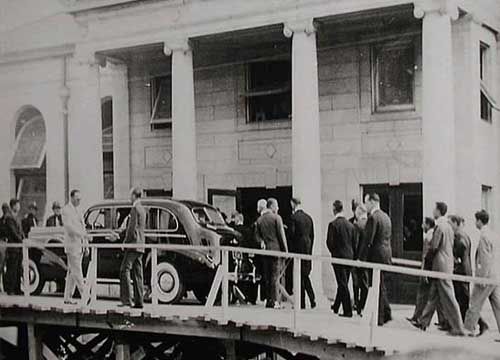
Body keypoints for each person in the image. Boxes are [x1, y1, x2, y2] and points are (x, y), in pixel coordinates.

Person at [413, 202, 465, 335]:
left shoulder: (440, 227)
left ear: (438, 211)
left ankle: (458, 328)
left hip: (440, 267)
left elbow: (434, 247)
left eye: (434, 209)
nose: (432, 211)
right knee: (433, 296)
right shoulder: (448, 227)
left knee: (449, 297)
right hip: (444, 266)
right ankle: (423, 322)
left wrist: (427, 263)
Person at [464, 210, 500, 337]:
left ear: (479, 221)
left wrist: (482, 279)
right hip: (494, 276)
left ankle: (468, 329)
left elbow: (485, 260)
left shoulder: (484, 236)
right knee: (497, 305)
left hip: (485, 277)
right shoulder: (493, 234)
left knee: (474, 303)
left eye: (476, 220)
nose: (475, 223)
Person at [364, 193, 392, 325]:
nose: (365, 206)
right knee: (381, 285)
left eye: (366, 202)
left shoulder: (373, 218)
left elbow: (368, 240)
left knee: (375, 285)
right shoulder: (386, 216)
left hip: (375, 256)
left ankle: (379, 317)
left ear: (372, 202)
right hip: (386, 254)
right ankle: (386, 313)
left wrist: (360, 258)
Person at [254, 198, 288, 308]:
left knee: (267, 277)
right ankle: (275, 301)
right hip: (276, 251)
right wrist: (285, 251)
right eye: (276, 206)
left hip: (265, 252)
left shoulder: (259, 220)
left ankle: (268, 300)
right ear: (272, 206)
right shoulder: (277, 218)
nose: (277, 208)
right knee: (275, 277)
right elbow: (281, 236)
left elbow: (257, 236)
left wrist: (262, 242)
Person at [326, 200, 355, 317]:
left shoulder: (333, 225)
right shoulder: (350, 225)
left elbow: (329, 243)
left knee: (342, 283)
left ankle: (348, 310)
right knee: (343, 282)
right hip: (349, 257)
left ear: (334, 209)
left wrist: (334, 252)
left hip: (339, 257)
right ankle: (337, 306)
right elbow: (354, 242)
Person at [119, 187, 146, 308]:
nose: (130, 197)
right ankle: (139, 301)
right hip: (140, 245)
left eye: (131, 195)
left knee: (124, 270)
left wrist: (125, 242)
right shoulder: (143, 209)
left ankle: (126, 300)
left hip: (133, 245)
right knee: (137, 273)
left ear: (134, 195)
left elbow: (131, 229)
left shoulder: (135, 209)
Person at [62, 190, 90, 305]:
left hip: (80, 245)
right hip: (72, 245)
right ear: (71, 198)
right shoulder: (66, 210)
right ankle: (85, 294)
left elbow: (83, 227)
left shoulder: (79, 210)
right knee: (77, 271)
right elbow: (69, 227)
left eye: (80, 199)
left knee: (72, 272)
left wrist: (86, 244)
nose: (79, 201)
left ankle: (67, 297)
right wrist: (81, 235)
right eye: (77, 199)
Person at [289, 197, 316, 309]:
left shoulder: (293, 218)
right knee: (305, 275)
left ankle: (302, 302)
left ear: (293, 204)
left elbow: (291, 235)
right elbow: (312, 236)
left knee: (299, 276)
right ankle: (312, 298)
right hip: (307, 249)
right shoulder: (309, 218)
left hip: (297, 249)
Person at [407, 217, 435, 324]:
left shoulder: (429, 236)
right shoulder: (430, 235)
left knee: (423, 293)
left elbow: (426, 255)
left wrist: (424, 270)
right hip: (427, 268)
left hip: (427, 268)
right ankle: (418, 316)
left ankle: (418, 317)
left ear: (428, 225)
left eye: (423, 224)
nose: (421, 226)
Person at [449, 215, 472, 322]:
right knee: (463, 297)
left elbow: (459, 252)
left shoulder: (458, 237)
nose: (449, 225)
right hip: (466, 269)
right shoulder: (465, 235)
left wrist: (454, 258)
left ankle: (463, 321)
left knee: (461, 298)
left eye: (450, 223)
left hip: (460, 270)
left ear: (455, 223)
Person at [3, 200, 23, 295]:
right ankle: (10, 288)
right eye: (17, 205)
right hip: (13, 247)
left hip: (19, 247)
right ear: (13, 206)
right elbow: (13, 232)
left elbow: (20, 231)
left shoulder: (17, 218)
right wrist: (21, 240)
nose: (19, 207)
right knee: (12, 268)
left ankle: (17, 288)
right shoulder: (9, 218)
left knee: (18, 268)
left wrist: (24, 238)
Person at [353, 204, 369, 316]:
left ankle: (358, 306)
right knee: (365, 284)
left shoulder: (358, 225)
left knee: (357, 283)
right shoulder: (370, 222)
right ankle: (364, 305)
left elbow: (356, 243)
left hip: (358, 258)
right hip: (368, 259)